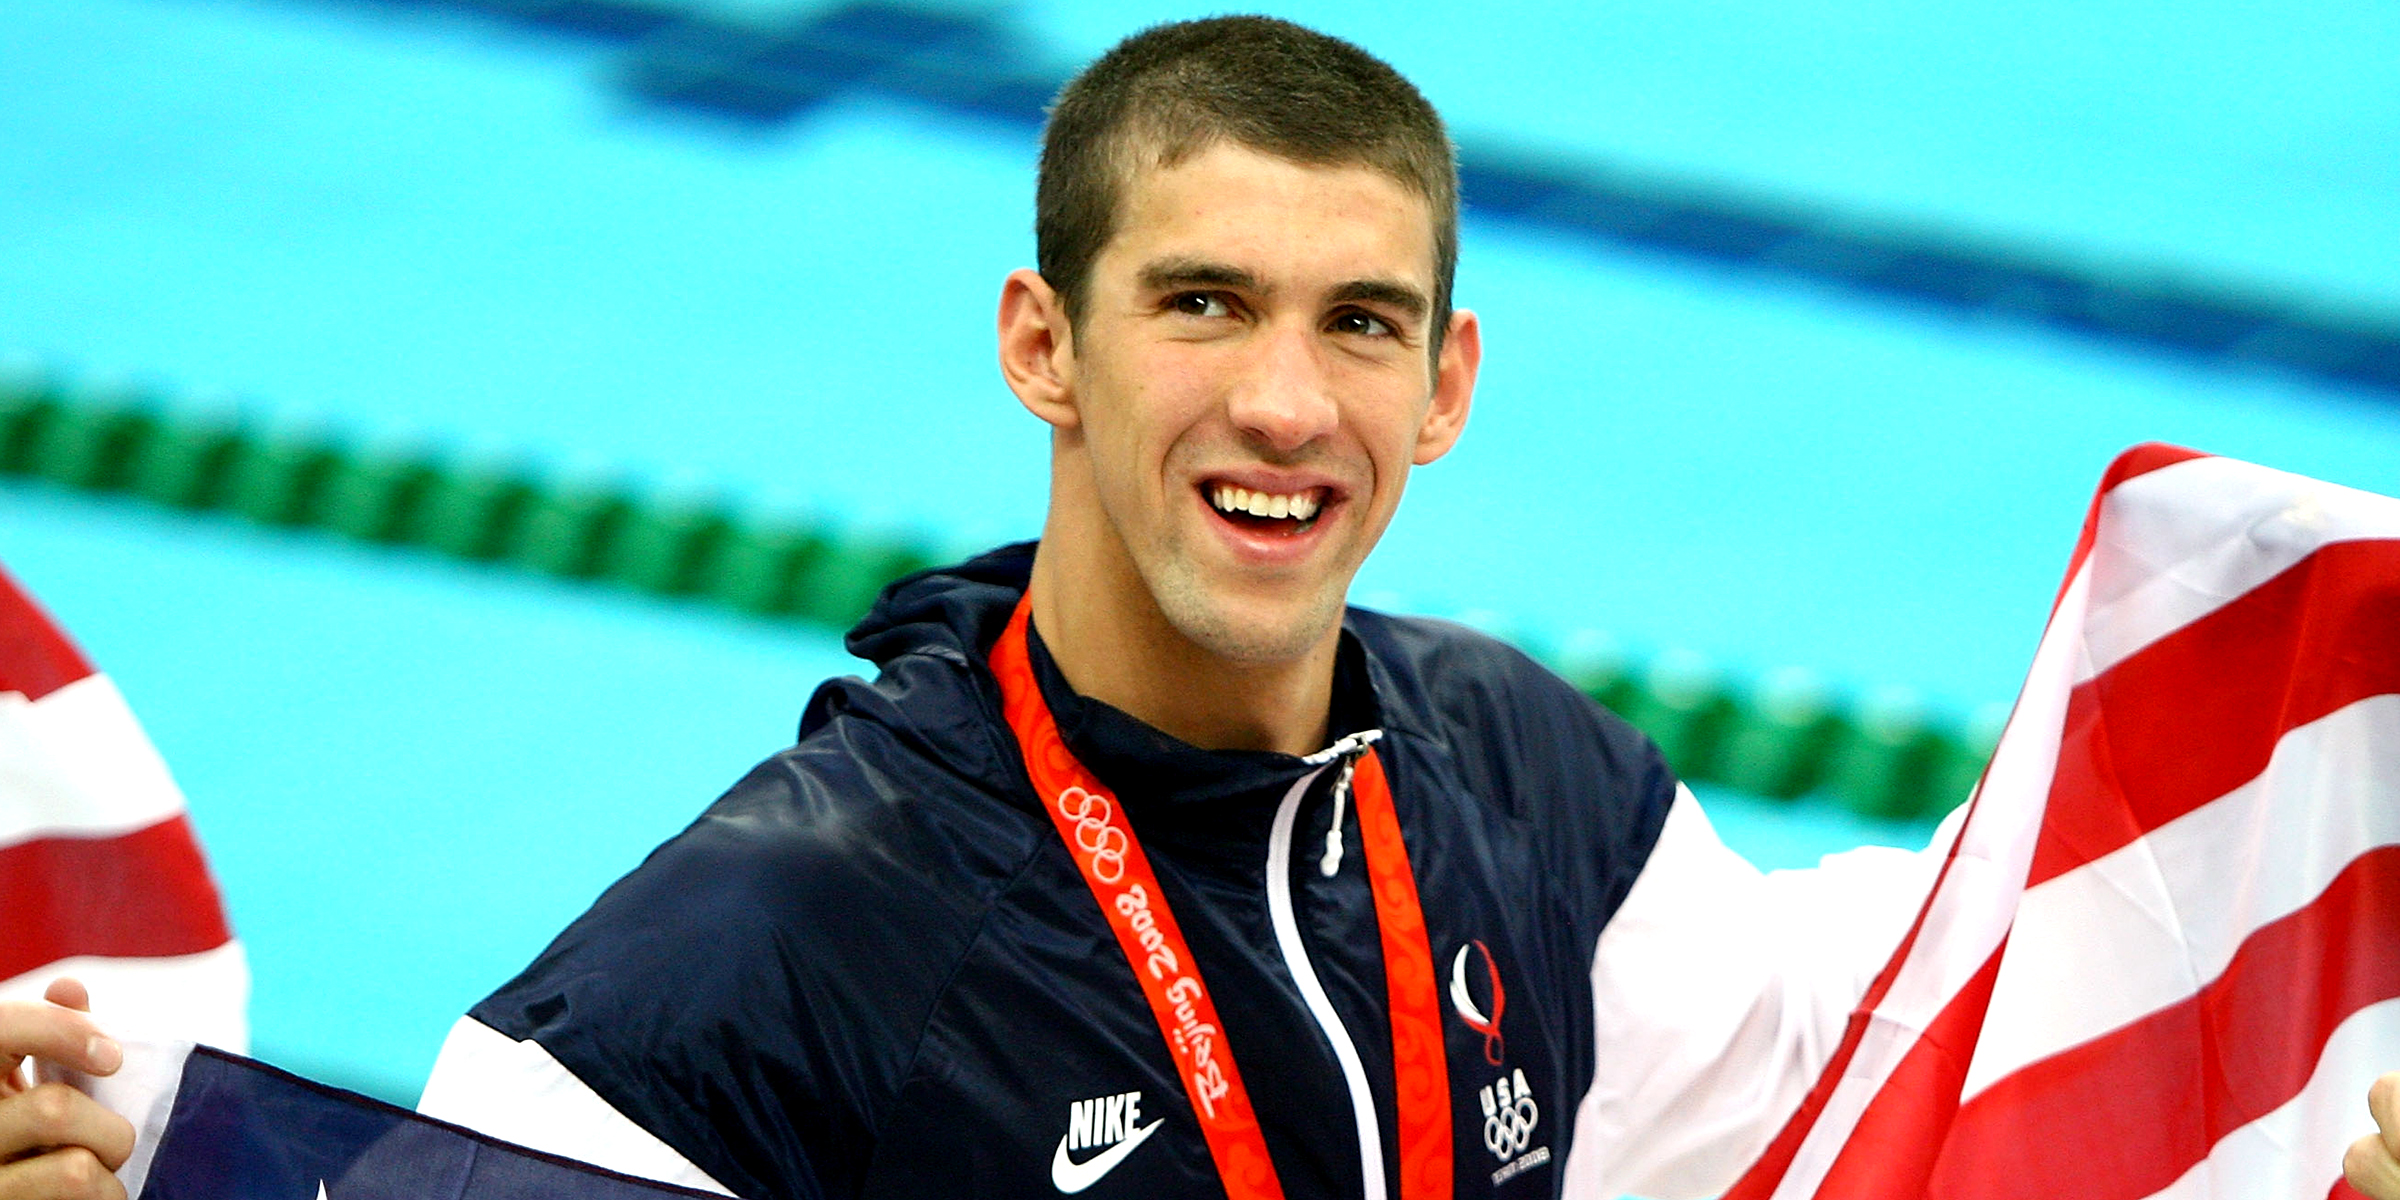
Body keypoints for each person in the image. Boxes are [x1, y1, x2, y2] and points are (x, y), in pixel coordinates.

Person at [6, 15, 2397, 1200]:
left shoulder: (1516, 780)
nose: (1284, 404)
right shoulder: (761, 958)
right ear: (1042, 341)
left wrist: (2301, 1088)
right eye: (1202, 305)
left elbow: (1873, 1090)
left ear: (1449, 385)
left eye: (1361, 324)